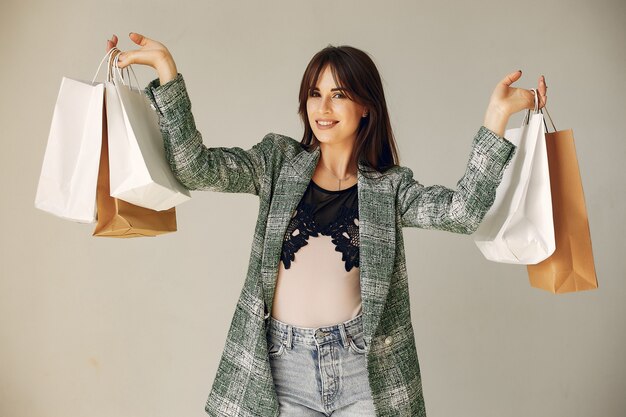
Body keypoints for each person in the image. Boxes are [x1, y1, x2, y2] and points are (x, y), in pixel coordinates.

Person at [106, 33, 547, 417]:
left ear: (366, 106)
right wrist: (167, 71)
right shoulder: (277, 163)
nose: (323, 107)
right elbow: (196, 168)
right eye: (315, 94)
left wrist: (496, 116)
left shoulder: (390, 188)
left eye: (338, 94)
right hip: (281, 370)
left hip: (363, 371)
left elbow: (462, 211)